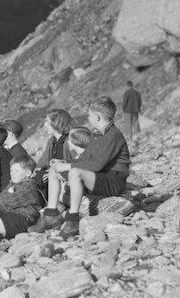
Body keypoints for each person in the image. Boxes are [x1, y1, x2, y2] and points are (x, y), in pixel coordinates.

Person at [36, 96, 130, 239]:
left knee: (75, 173)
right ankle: (51, 215)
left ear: (97, 117)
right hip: (101, 177)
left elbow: (97, 164)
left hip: (113, 181)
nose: (88, 118)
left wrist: (67, 165)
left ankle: (72, 220)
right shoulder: (101, 135)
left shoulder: (113, 136)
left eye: (90, 115)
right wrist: (62, 162)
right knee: (54, 172)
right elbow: (86, 157)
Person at [28, 126, 92, 233]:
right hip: (74, 193)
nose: (67, 143)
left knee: (62, 194)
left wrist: (64, 172)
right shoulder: (77, 157)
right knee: (55, 173)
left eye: (69, 141)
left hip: (86, 194)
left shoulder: (88, 158)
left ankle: (69, 218)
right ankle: (51, 214)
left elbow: (81, 173)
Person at [31, 109, 73, 205]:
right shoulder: (52, 141)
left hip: (66, 181)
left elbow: (77, 162)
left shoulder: (69, 140)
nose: (44, 125)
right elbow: (45, 159)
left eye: (47, 121)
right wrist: (39, 168)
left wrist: (53, 172)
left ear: (56, 123)